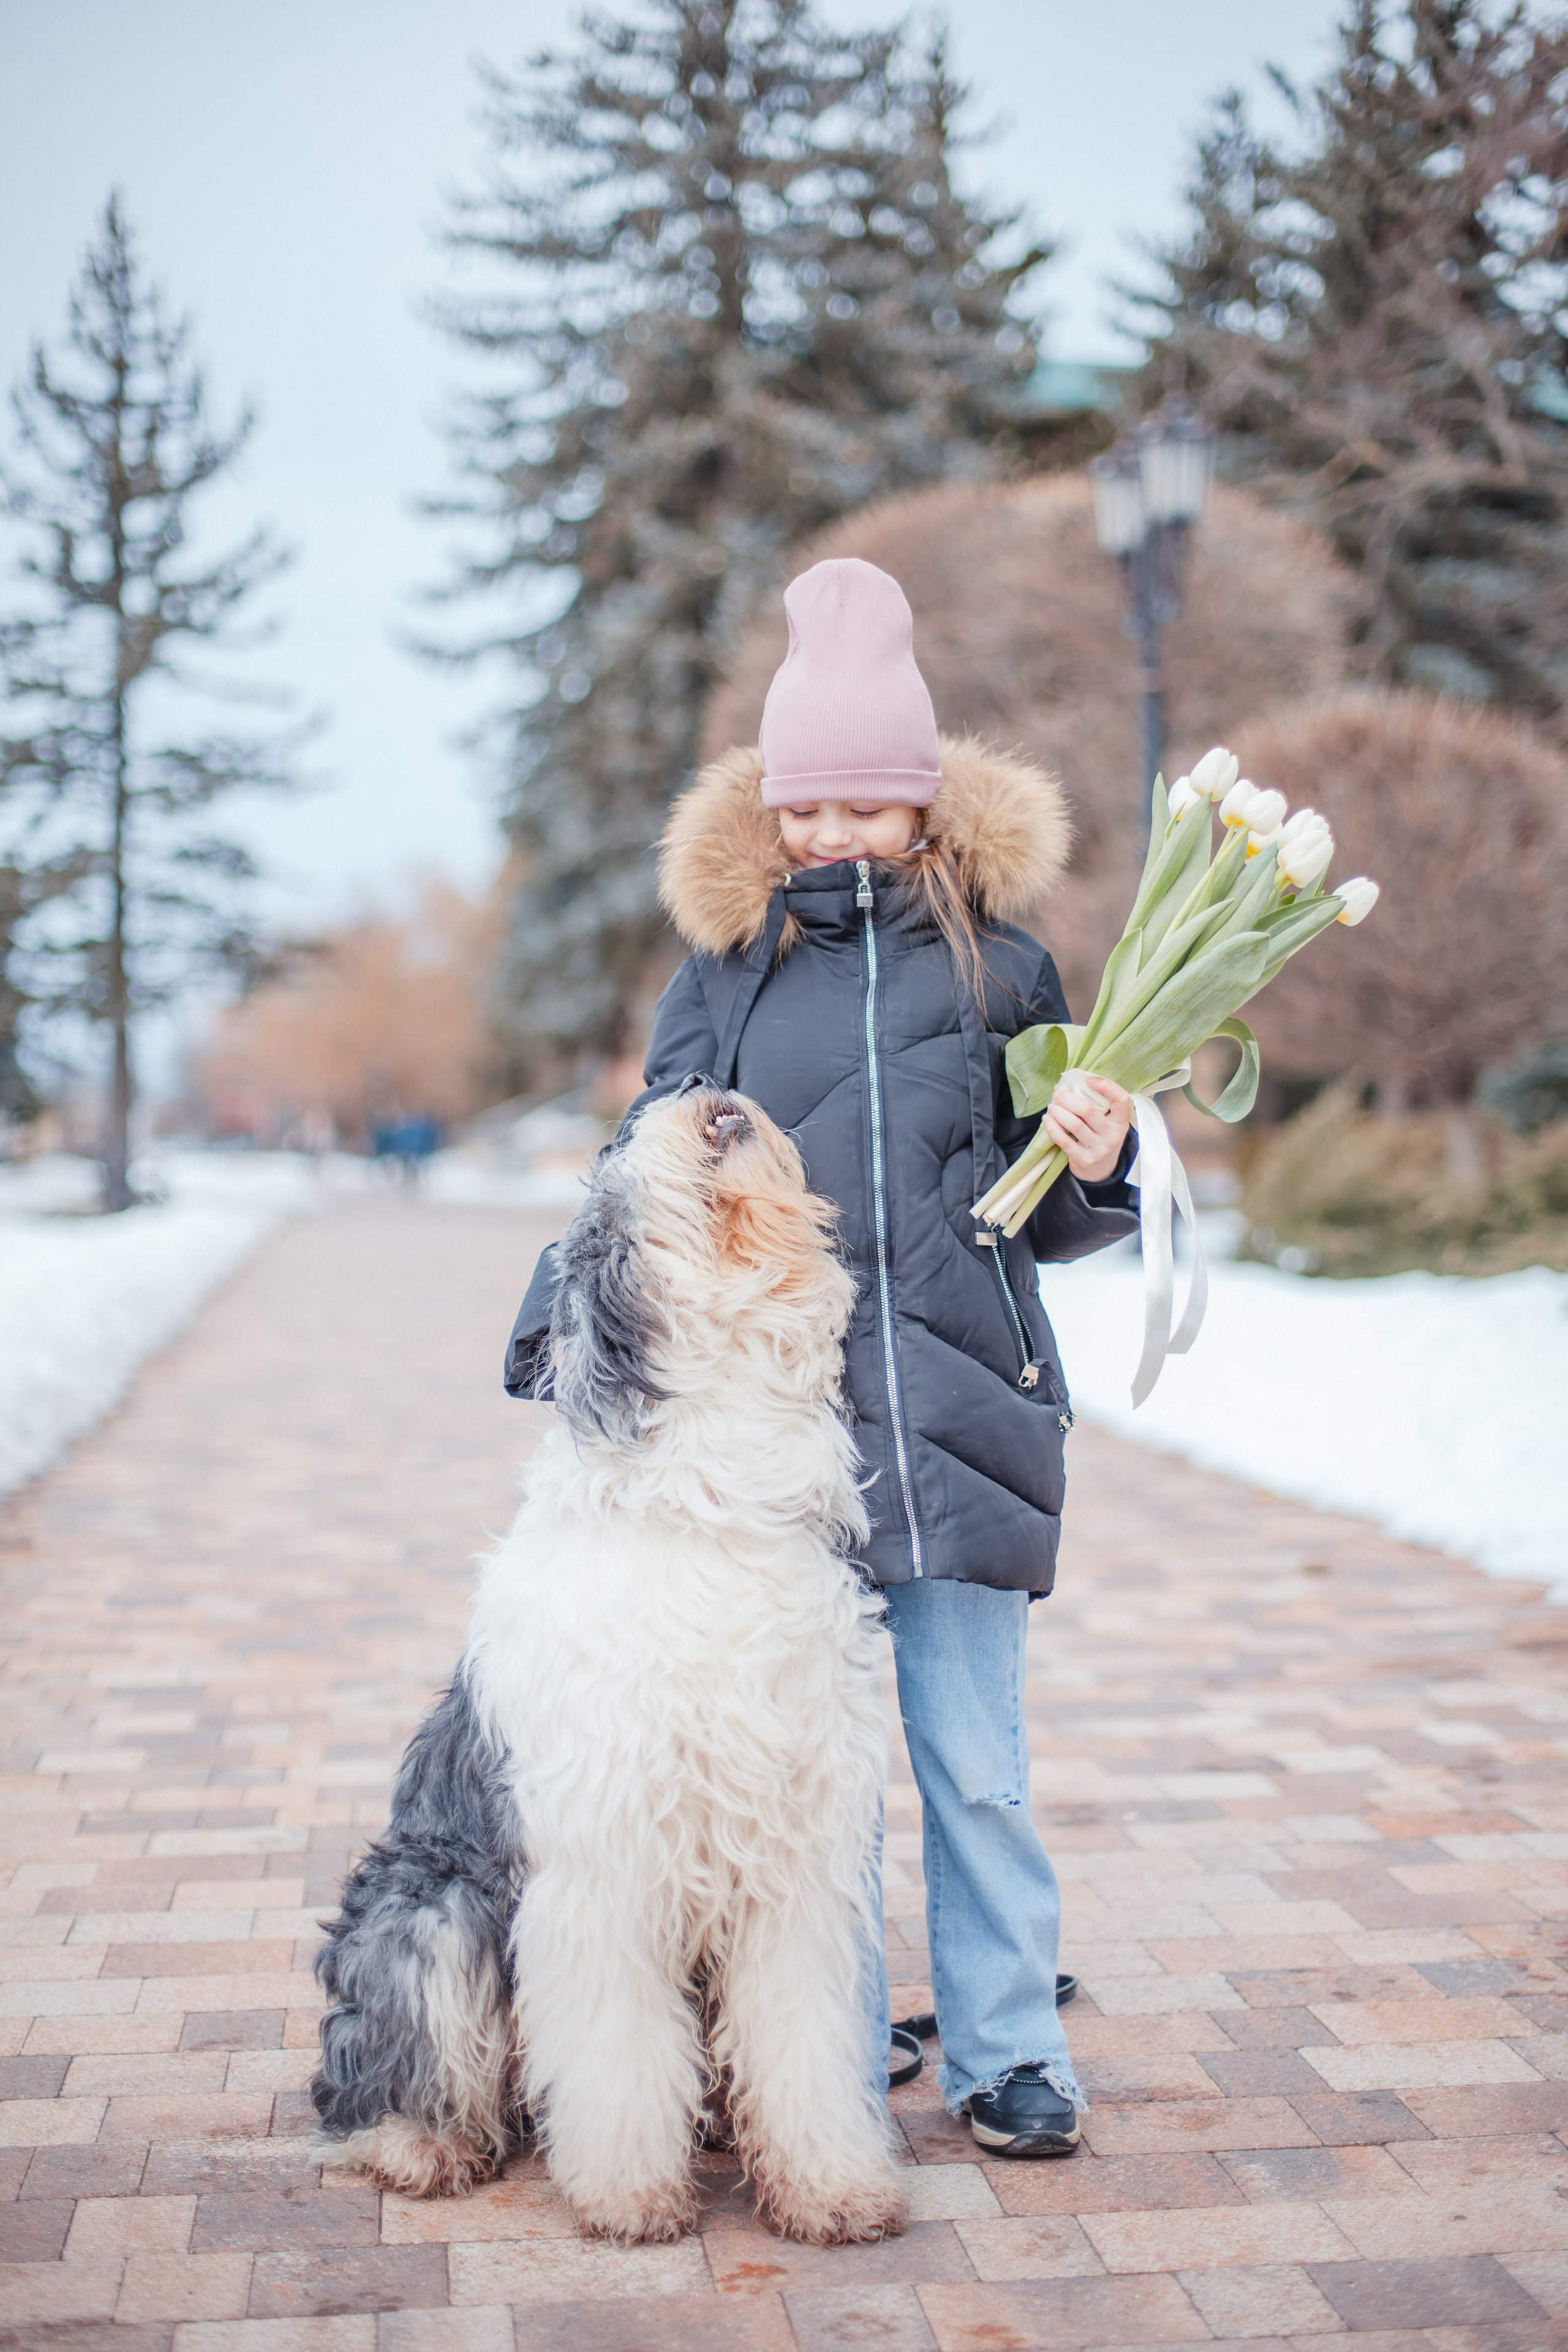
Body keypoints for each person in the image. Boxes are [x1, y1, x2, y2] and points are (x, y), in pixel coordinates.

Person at [507, 557, 1136, 2157]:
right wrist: (551, 1320)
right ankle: (834, 2054)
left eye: (867, 805)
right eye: (809, 809)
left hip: (964, 1424)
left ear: (922, 805)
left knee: (974, 1765)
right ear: (775, 806)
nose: (833, 837)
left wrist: (1096, 1154)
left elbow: (1044, 1219)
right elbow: (646, 1174)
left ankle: (1005, 2054)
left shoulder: (1005, 967)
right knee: (819, 1782)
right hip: (776, 1447)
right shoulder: (728, 975)